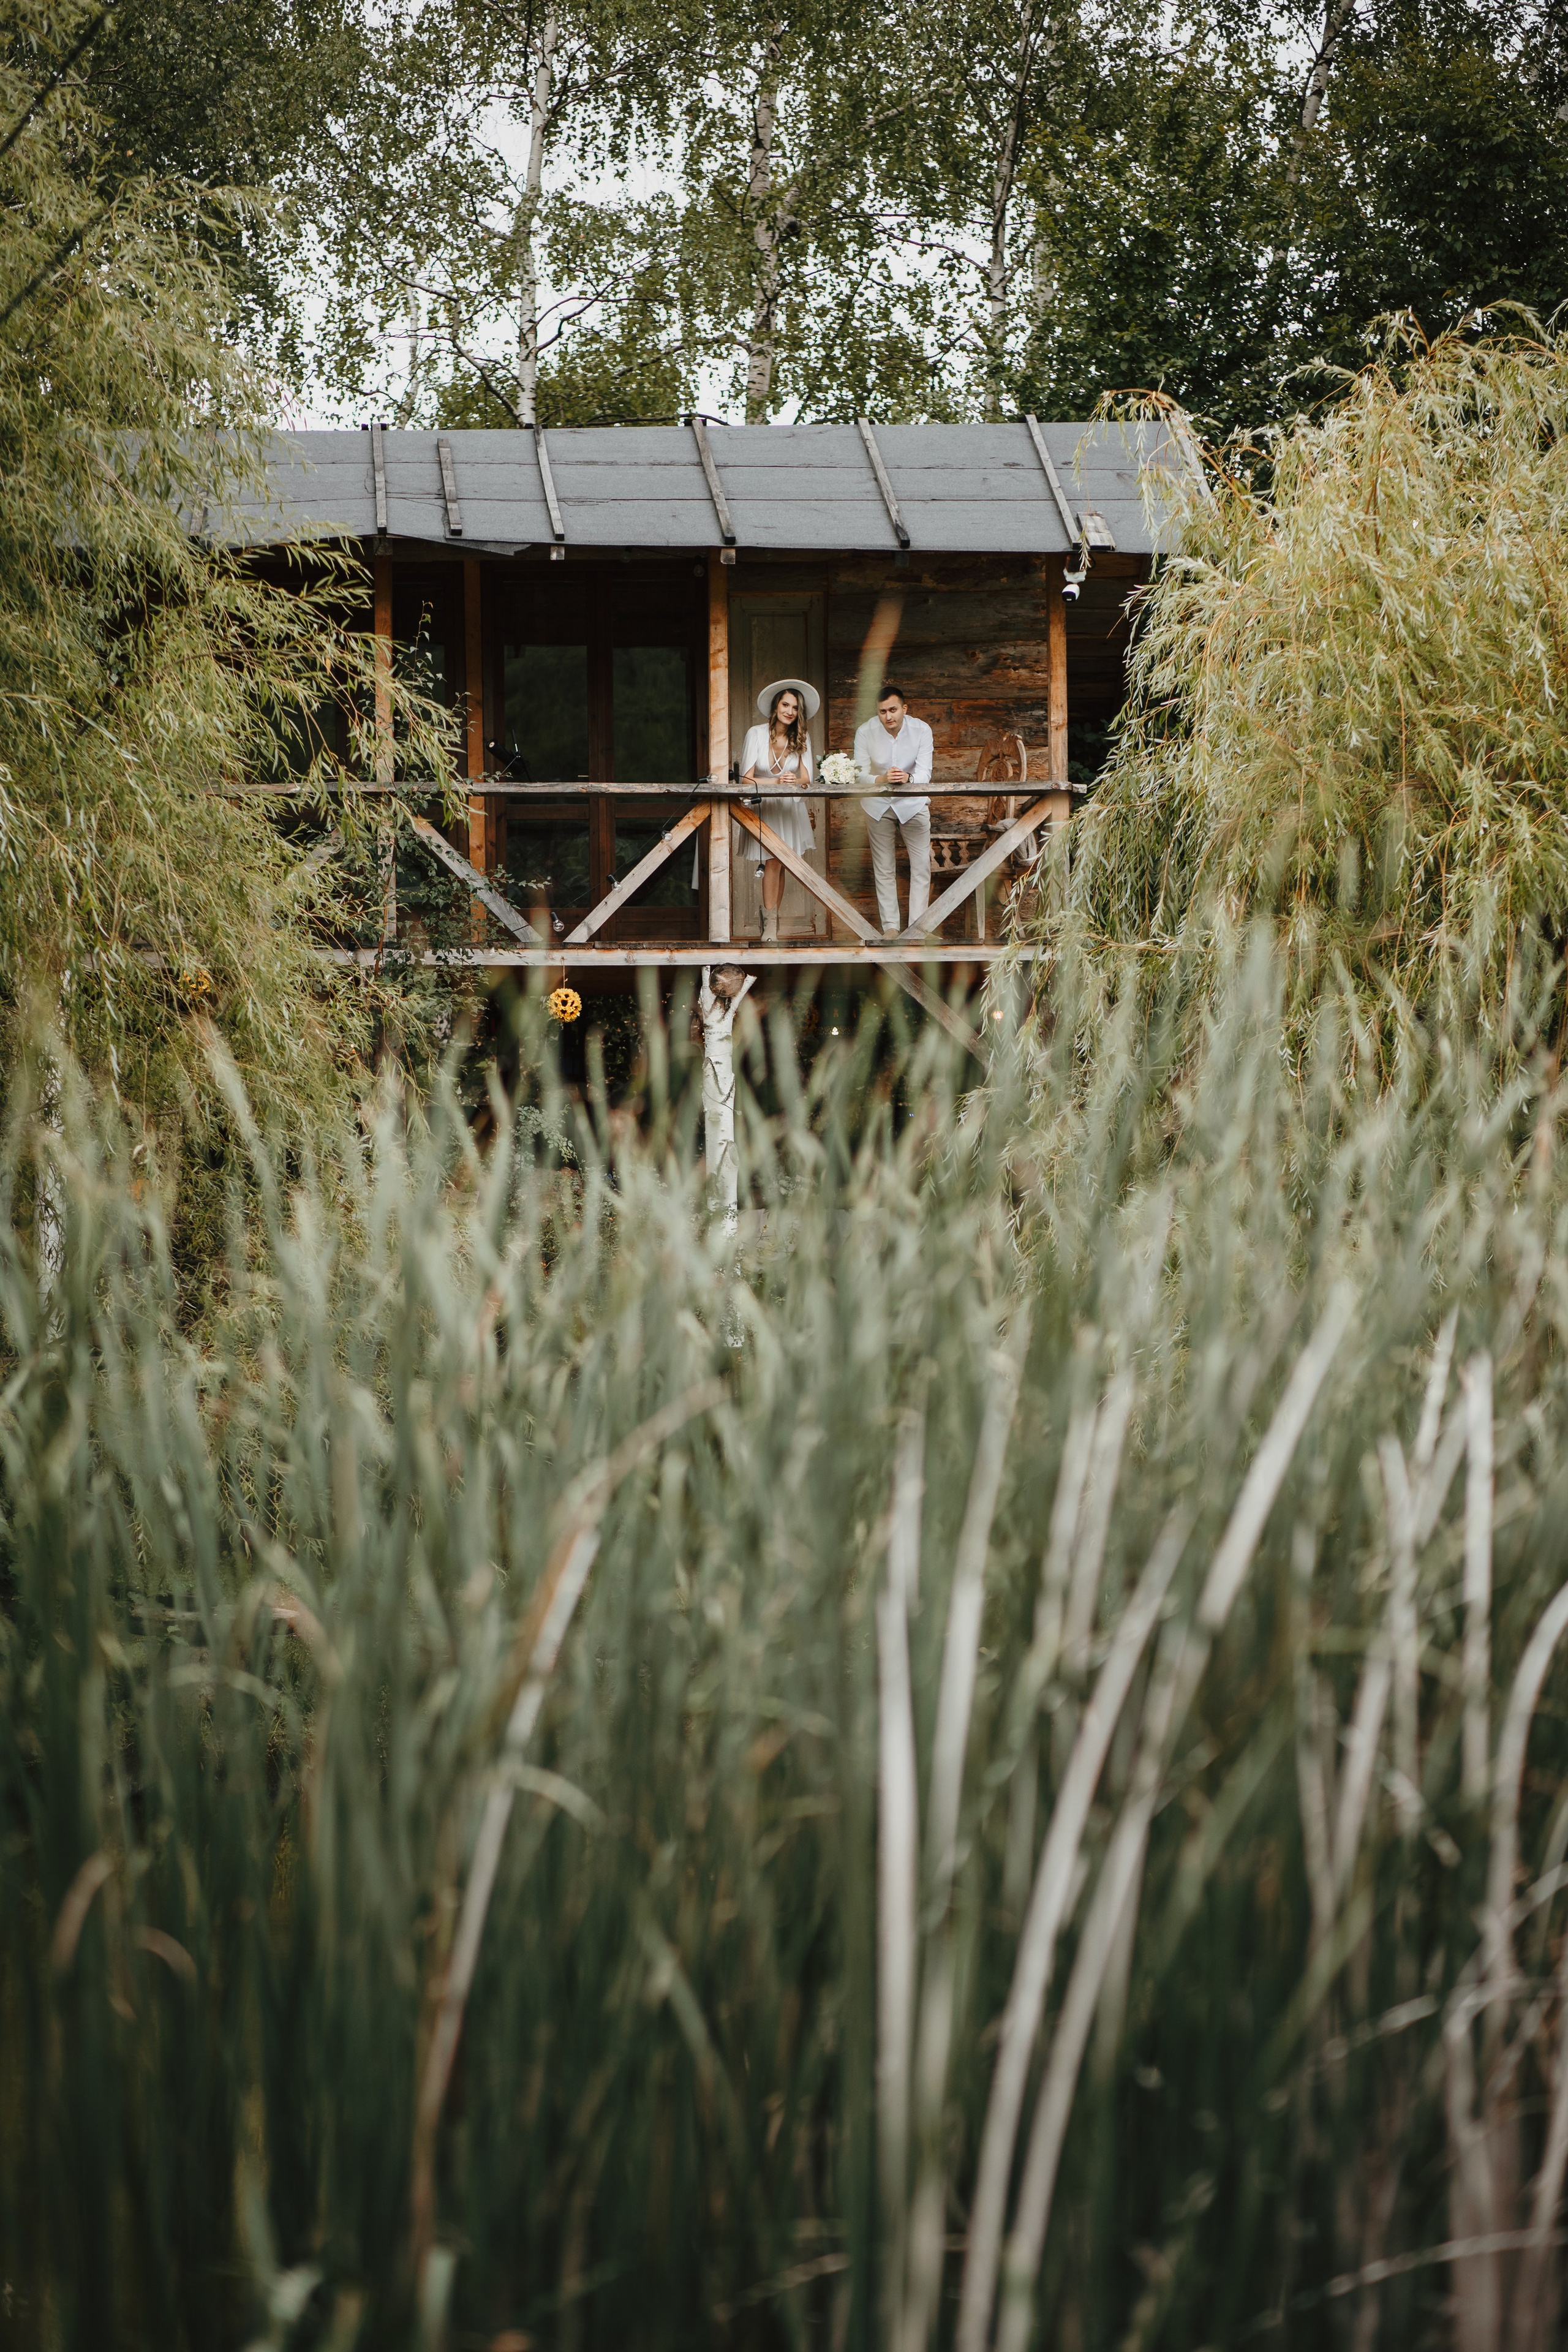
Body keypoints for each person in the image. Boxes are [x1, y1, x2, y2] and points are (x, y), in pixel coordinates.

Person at [739, 679, 819, 942]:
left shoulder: (801, 737)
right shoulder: (756, 734)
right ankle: (771, 927)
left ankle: (771, 922)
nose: (790, 712)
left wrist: (792, 781)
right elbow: (745, 780)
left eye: (795, 708)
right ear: (775, 707)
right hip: (765, 807)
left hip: (788, 807)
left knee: (781, 864)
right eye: (786, 705)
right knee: (772, 862)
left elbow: (807, 779)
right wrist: (774, 782)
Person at [853, 684, 932, 937]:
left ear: (904, 708)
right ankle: (891, 929)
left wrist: (907, 778)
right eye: (883, 711)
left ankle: (918, 929)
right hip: (878, 805)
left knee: (921, 866)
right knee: (884, 868)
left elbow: (925, 773)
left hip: (914, 803)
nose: (888, 717)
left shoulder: (922, 730)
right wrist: (881, 780)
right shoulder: (865, 732)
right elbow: (858, 775)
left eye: (893, 710)